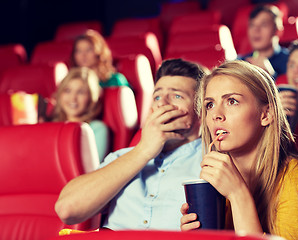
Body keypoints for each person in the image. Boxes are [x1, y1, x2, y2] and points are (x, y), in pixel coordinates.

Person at [180, 60, 298, 239]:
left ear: (266, 114)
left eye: (232, 101)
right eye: (209, 105)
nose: (216, 115)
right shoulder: (221, 182)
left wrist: (238, 195)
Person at [55, 59, 206, 230]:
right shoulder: (121, 158)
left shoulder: (215, 159)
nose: (161, 103)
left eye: (176, 95)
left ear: (201, 111)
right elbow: (67, 210)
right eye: (157, 96)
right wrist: (143, 151)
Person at [50, 67, 109, 163]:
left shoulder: (97, 129)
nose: (73, 98)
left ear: (91, 97)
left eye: (81, 92)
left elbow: (91, 167)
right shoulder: (50, 125)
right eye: (67, 91)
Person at [238, 4, 288, 79]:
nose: (256, 30)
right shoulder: (240, 62)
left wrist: (270, 75)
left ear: (277, 31)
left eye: (264, 25)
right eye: (252, 25)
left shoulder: (291, 61)